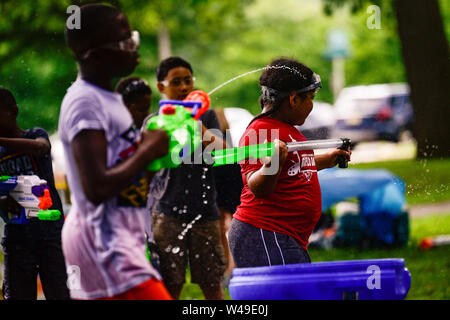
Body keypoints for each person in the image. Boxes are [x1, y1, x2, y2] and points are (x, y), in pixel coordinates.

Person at [59, 4, 171, 300]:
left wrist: (156, 154)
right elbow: (96, 187)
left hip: (117, 240)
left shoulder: (107, 99)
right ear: (95, 56)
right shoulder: (85, 103)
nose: (134, 47)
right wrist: (147, 151)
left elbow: (123, 170)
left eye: (132, 37)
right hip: (104, 245)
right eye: (124, 42)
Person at [228, 58, 351, 268]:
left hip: (285, 237)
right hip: (264, 233)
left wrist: (323, 160)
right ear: (293, 99)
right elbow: (257, 187)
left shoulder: (287, 128)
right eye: (310, 98)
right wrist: (271, 163)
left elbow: (292, 167)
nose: (312, 105)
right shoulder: (260, 131)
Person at [150, 56, 227, 300]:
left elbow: (224, 151)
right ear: (161, 86)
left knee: (211, 283)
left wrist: (200, 130)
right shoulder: (157, 120)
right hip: (167, 213)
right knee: (170, 285)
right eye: (176, 82)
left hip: (205, 213)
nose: (184, 87)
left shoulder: (207, 117)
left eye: (188, 80)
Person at [0, 87, 70, 300]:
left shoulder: (35, 135)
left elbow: (41, 148)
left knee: (60, 292)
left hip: (51, 233)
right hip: (17, 238)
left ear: (14, 112)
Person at [211, 108, 242, 286]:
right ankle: (230, 268)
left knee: (223, 226)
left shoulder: (209, 133)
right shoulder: (227, 136)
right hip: (230, 179)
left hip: (221, 181)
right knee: (229, 225)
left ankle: (228, 268)